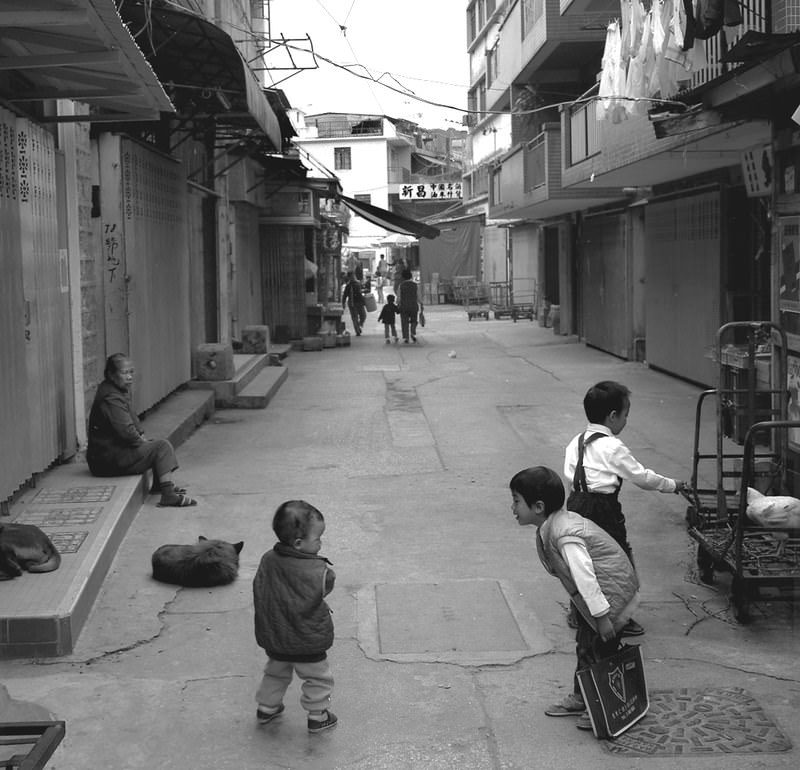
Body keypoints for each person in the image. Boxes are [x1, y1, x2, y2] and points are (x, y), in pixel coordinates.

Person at [509, 466, 639, 732]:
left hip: (609, 598)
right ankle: (583, 697)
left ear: (538, 506)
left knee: (600, 651)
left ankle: (603, 705)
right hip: (598, 599)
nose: (513, 507)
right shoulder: (555, 524)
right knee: (586, 647)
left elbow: (586, 579)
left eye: (516, 501)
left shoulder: (565, 534)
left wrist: (602, 619)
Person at [564, 380, 689, 636]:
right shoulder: (612, 447)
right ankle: (619, 617)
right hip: (603, 509)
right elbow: (642, 477)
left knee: (583, 560)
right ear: (613, 416)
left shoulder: (575, 441)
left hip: (576, 505)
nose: (625, 421)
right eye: (625, 415)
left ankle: (579, 612)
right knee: (617, 562)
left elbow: (570, 477)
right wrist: (672, 485)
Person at [253, 500, 337, 733]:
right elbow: (324, 588)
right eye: (318, 538)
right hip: (308, 642)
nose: (321, 543)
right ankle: (318, 716)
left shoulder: (267, 559)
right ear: (299, 544)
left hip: (276, 637)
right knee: (318, 678)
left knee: (275, 672)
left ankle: (267, 708)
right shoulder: (320, 572)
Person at [86, 353, 196, 507]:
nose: (130, 377)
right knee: (161, 447)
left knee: (155, 445)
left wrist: (143, 440)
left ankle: (161, 486)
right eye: (125, 373)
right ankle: (168, 495)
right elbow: (127, 431)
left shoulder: (116, 390)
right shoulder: (111, 397)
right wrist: (142, 442)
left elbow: (132, 423)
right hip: (107, 460)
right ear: (111, 374)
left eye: (131, 372)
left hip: (110, 455)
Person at [397, 268, 423, 344]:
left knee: (404, 322)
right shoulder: (415, 285)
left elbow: (399, 298)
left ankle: (406, 337)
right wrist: (421, 303)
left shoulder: (400, 286)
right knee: (414, 321)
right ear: (411, 276)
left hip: (404, 306)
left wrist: (398, 303)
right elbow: (418, 297)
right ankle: (412, 333)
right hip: (413, 306)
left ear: (403, 277)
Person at [342, 271, 366, 336]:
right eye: (352, 276)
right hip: (352, 303)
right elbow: (345, 295)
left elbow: (362, 291)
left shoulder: (358, 284)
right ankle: (357, 331)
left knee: (363, 316)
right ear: (349, 277)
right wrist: (343, 303)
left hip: (360, 302)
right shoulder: (348, 286)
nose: (353, 277)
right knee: (354, 317)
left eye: (354, 276)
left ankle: (359, 325)